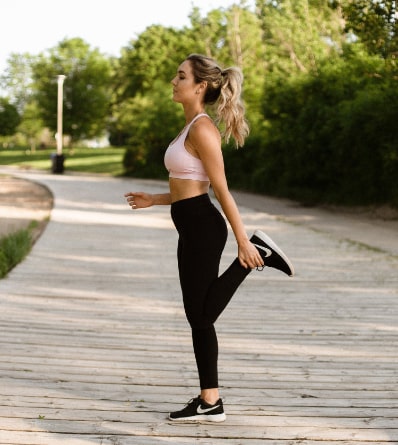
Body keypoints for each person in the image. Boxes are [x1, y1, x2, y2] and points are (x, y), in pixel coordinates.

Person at [125, 53, 294, 423]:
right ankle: (210, 401)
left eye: (181, 75)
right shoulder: (189, 127)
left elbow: (221, 191)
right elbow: (190, 188)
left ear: (200, 86)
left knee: (200, 315)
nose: (174, 80)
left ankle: (258, 250)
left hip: (203, 227)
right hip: (191, 224)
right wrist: (154, 199)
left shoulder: (202, 129)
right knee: (199, 317)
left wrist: (242, 241)